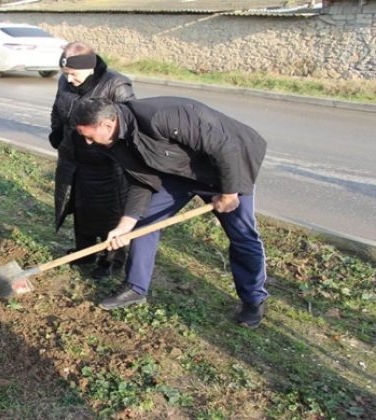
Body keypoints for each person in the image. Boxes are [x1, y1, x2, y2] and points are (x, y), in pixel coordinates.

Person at [71, 97, 268, 328]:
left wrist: (229, 193)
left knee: (242, 235)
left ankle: (254, 300)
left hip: (229, 167)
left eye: (89, 135)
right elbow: (141, 181)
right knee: (144, 224)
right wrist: (125, 225)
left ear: (107, 124)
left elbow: (226, 147)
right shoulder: (114, 143)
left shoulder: (160, 117)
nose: (88, 143)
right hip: (179, 173)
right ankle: (135, 287)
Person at [49, 41, 133, 280]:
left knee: (107, 212)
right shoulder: (64, 81)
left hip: (105, 164)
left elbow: (128, 123)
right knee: (79, 207)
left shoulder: (116, 85)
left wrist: (109, 150)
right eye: (66, 74)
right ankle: (84, 253)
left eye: (73, 75)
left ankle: (111, 261)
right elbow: (57, 109)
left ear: (89, 68)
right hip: (72, 161)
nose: (70, 80)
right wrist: (56, 132)